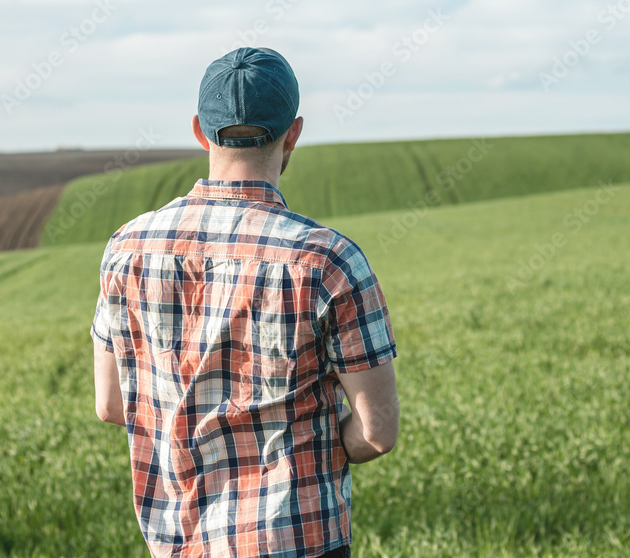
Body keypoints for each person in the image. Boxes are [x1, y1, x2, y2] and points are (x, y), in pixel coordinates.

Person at [91, 47, 399, 558]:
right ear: (293, 134)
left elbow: (111, 404)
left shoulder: (126, 249)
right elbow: (377, 430)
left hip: (176, 542)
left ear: (199, 131)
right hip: (297, 540)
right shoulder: (329, 261)